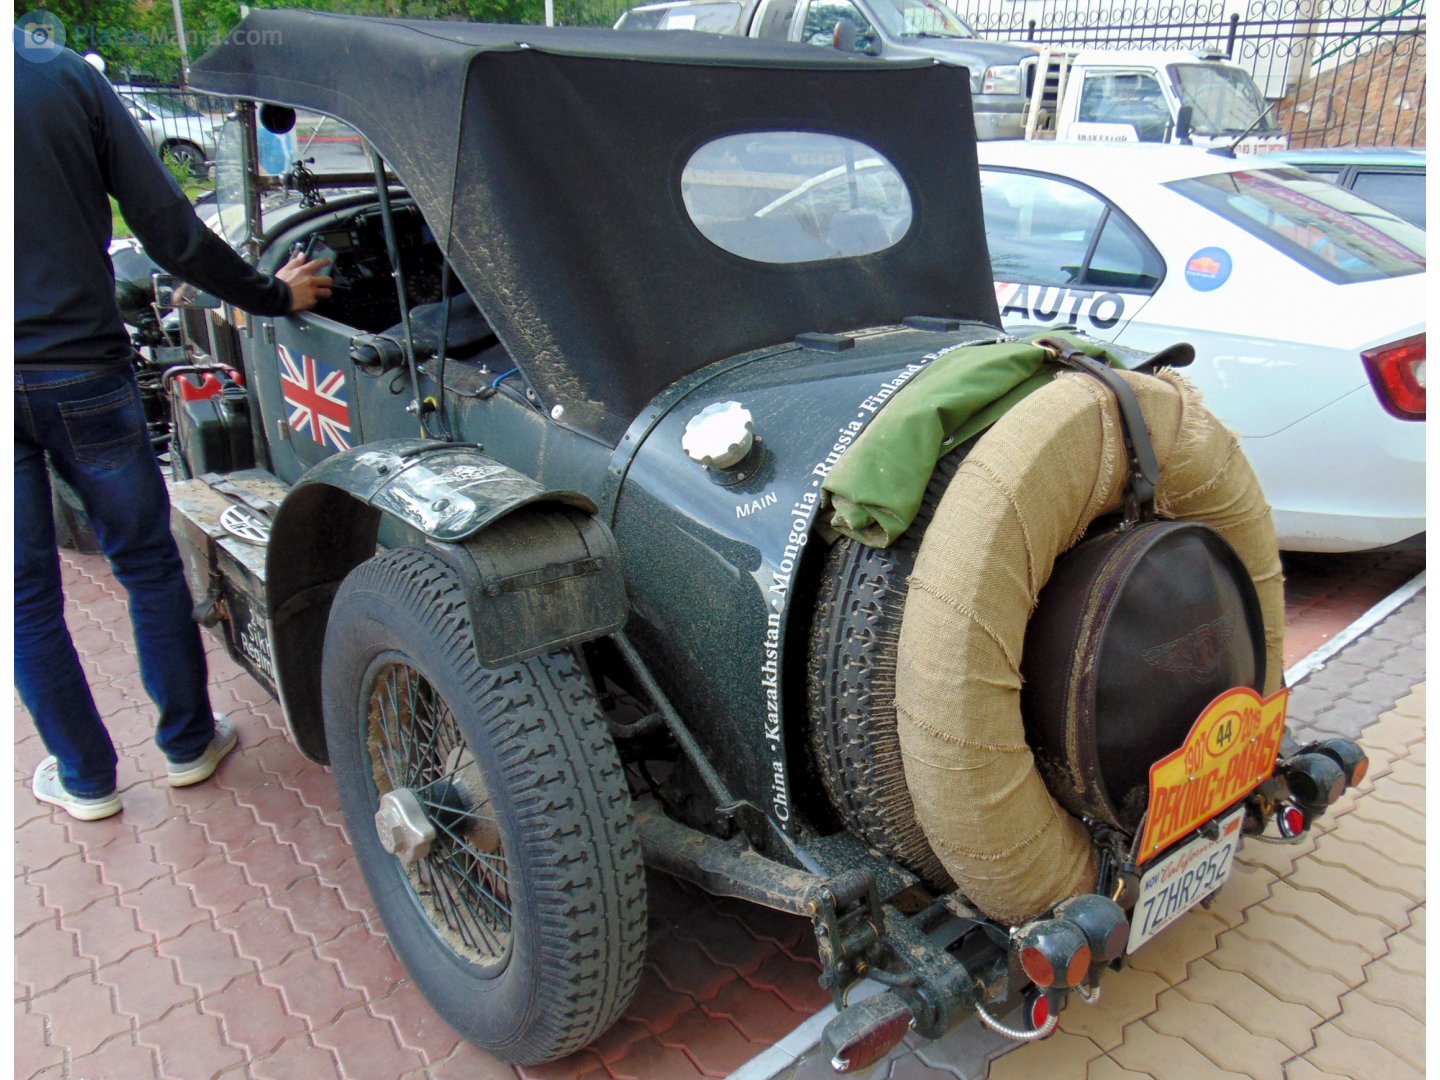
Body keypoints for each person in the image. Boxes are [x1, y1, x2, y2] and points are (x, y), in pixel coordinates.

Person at [14, 27, 333, 820]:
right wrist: (269, 295)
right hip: (80, 367)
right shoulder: (58, 79)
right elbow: (167, 227)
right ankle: (189, 744)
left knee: (22, 598)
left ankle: (85, 780)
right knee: (147, 563)